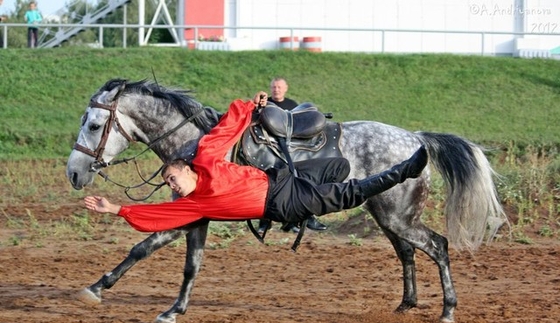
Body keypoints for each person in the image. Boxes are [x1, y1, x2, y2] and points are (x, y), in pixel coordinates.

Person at [83, 92, 428, 235]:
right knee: (353, 192)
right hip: (285, 203)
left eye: (173, 177)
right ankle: (404, 171)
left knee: (338, 167)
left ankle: (361, 175)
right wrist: (115, 209)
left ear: (188, 168)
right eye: (170, 184)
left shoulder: (205, 159)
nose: (172, 185)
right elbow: (156, 217)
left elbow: (227, 129)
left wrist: (251, 104)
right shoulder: (195, 205)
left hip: (283, 178)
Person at [260, 77, 328, 233]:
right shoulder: (266, 103)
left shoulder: (292, 105)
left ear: (285, 88)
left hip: (292, 148)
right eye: (274, 87)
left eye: (279, 87)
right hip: (269, 146)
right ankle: (264, 221)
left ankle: (293, 218)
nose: (276, 89)